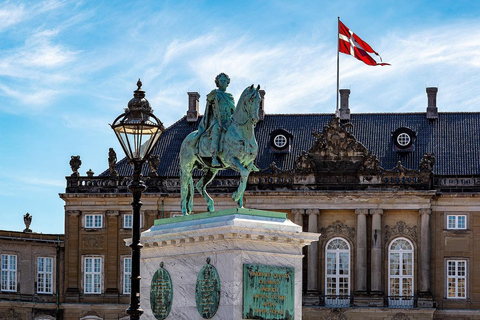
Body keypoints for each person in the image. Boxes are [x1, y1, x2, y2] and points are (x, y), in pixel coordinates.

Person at [197, 73, 235, 166]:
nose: (223, 82)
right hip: (218, 121)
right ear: (217, 83)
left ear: (227, 83)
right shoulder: (215, 94)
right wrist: (211, 96)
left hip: (229, 121)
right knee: (216, 131)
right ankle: (214, 157)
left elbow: (234, 110)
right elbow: (209, 99)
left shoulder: (230, 96)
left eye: (224, 81)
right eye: (221, 81)